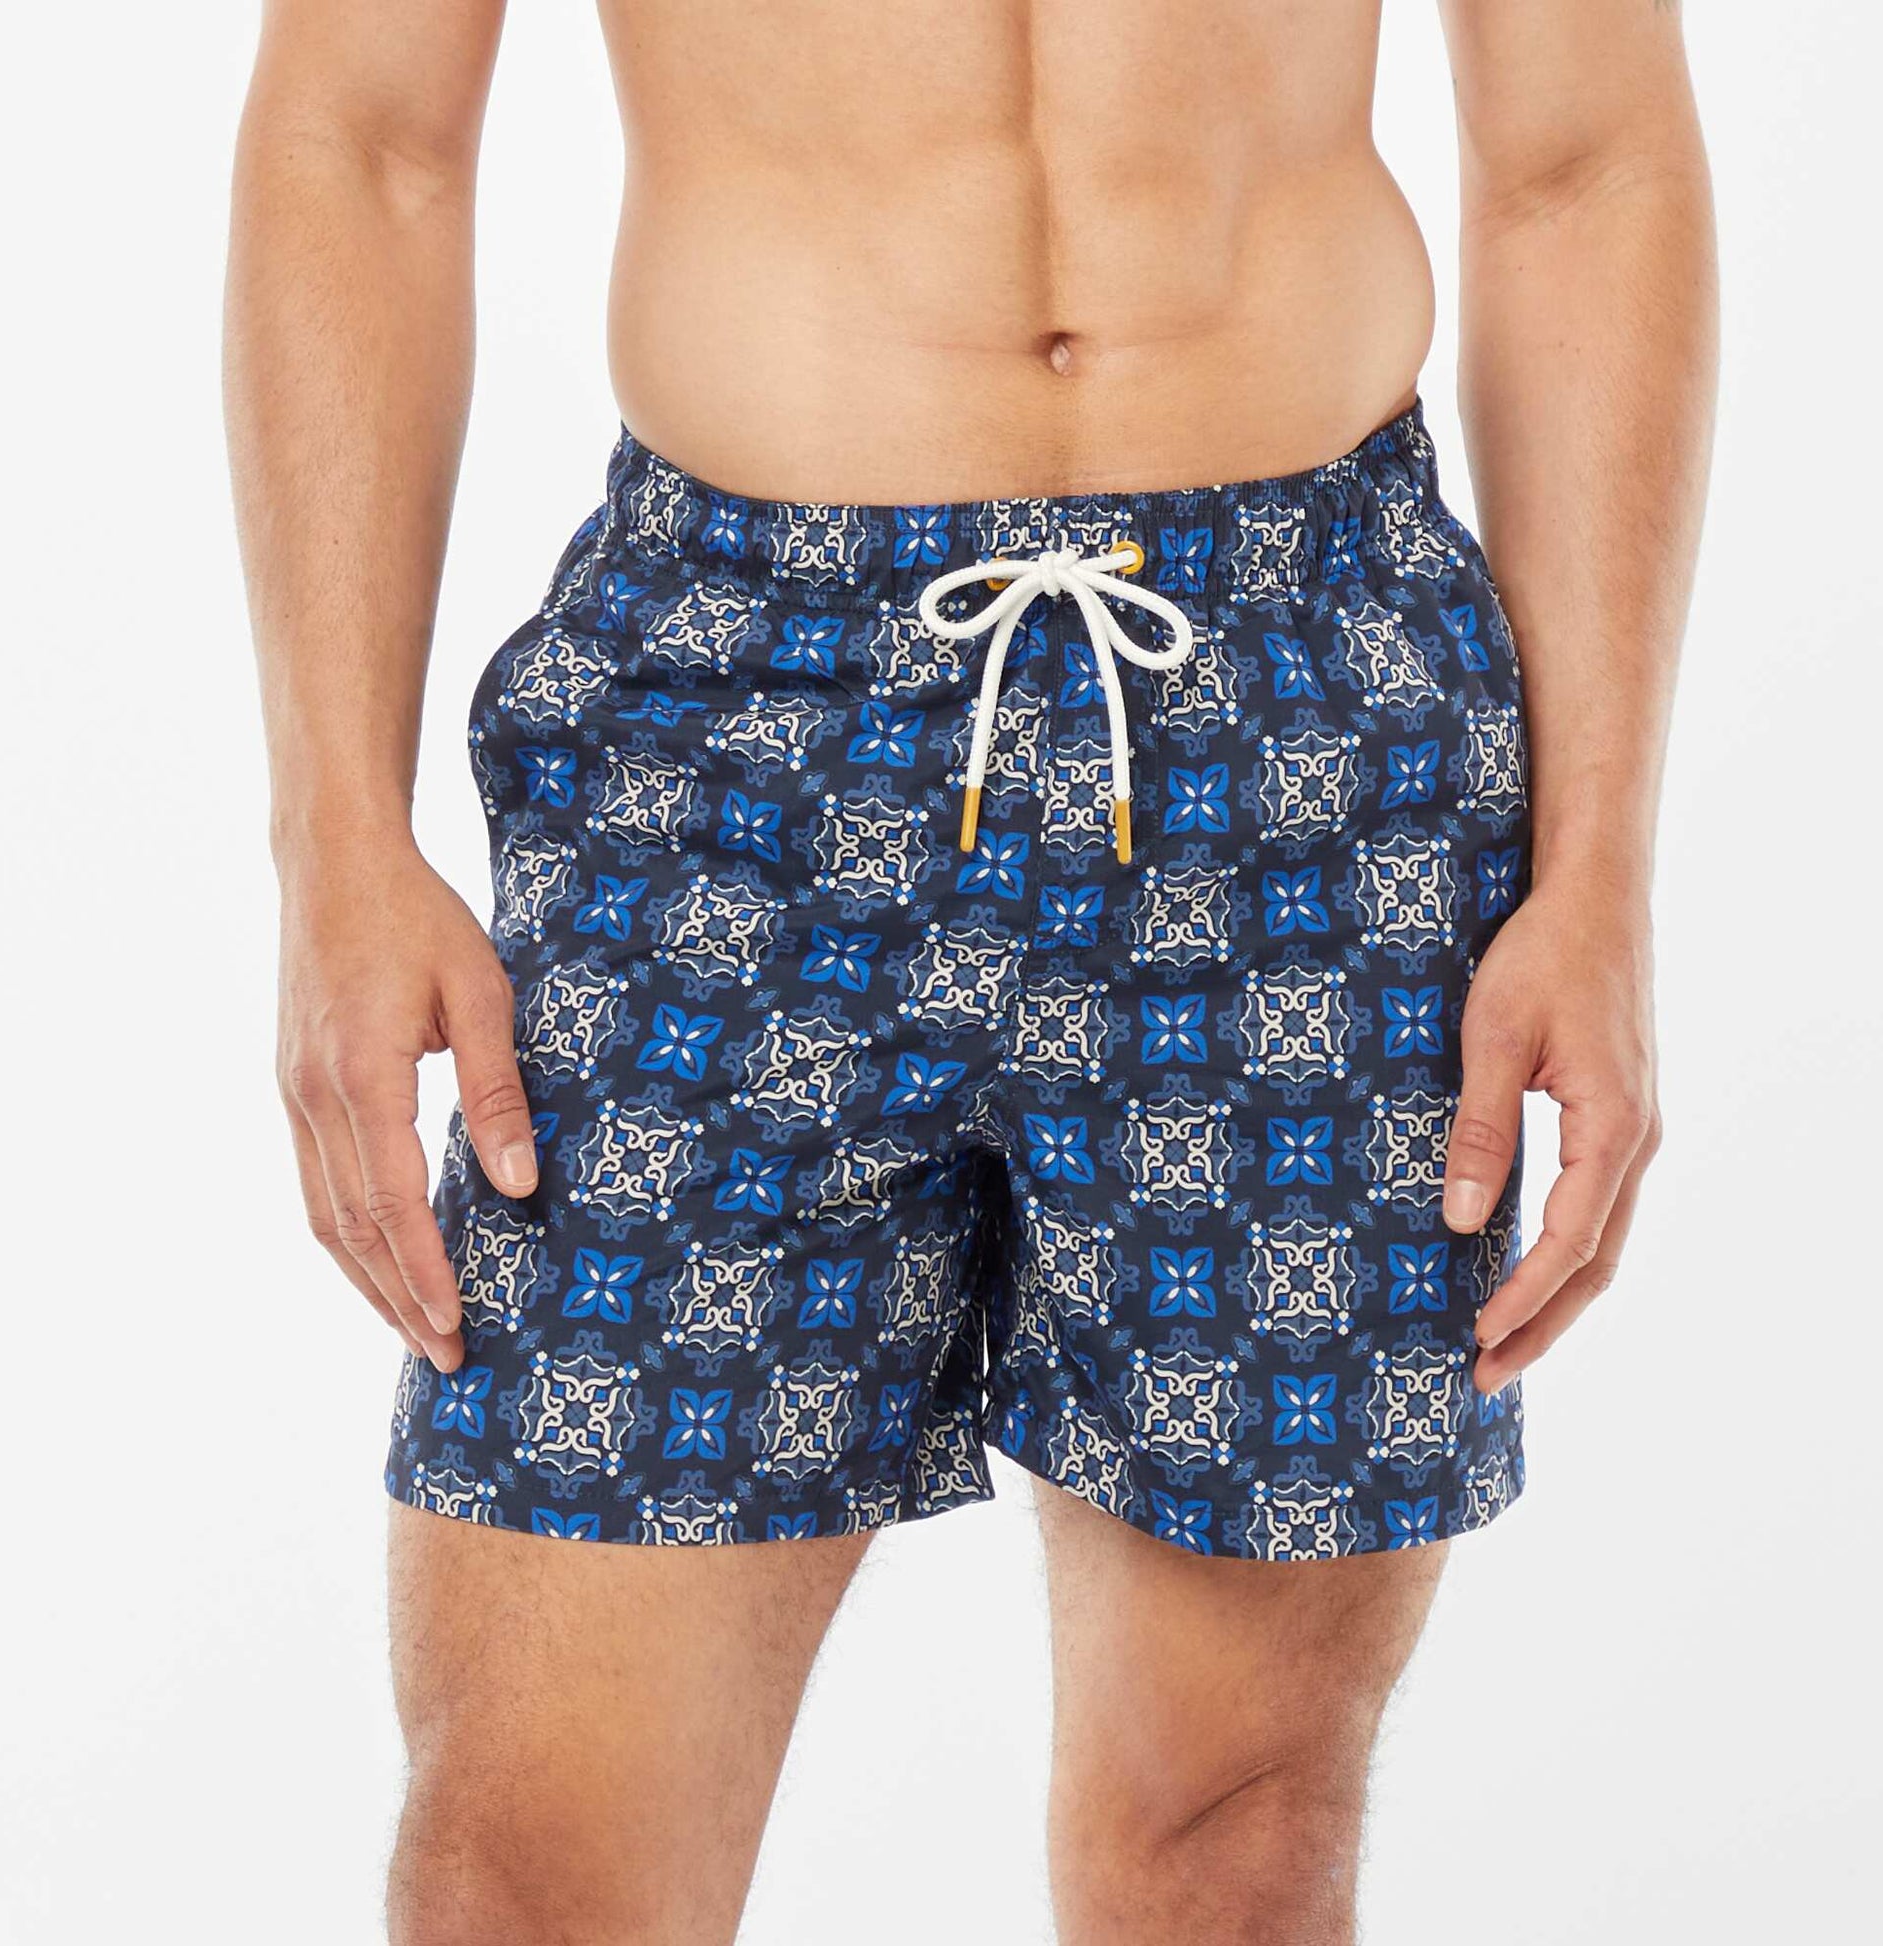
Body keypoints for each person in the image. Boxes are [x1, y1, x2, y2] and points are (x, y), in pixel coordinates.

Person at [226, 2, 1713, 1939]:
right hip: (738, 718)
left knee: (1237, 1846)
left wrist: (1596, 868)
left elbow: (1582, 157)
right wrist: (332, 833)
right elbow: (363, 138)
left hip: (1293, 709)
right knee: (527, 1864)